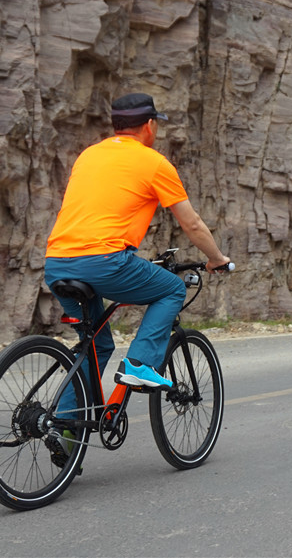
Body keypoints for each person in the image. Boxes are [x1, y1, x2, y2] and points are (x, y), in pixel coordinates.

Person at [44, 92, 230, 410]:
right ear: (149, 125)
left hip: (57, 264)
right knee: (171, 288)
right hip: (104, 262)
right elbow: (193, 224)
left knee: (97, 345)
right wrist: (217, 259)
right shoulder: (153, 163)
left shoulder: (88, 156)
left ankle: (63, 424)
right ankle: (139, 365)